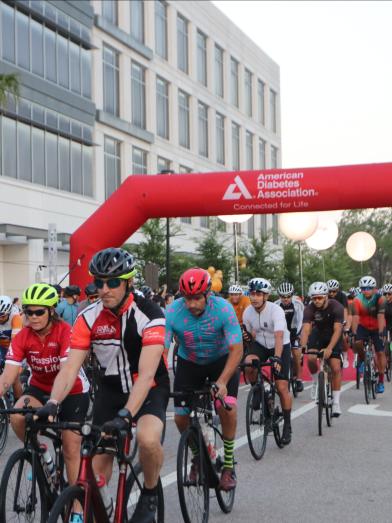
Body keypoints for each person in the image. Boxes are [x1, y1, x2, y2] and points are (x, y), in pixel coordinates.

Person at [37, 248, 169, 523]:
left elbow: (146, 375)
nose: (105, 289)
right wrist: (53, 403)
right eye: (99, 282)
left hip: (148, 388)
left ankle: (150, 492)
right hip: (110, 390)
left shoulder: (149, 313)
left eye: (113, 282)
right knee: (95, 479)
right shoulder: (87, 316)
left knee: (147, 439)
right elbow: (70, 367)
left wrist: (127, 415)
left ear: (128, 282)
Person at [0, 284, 89, 495]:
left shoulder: (66, 332)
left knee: (70, 447)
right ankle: (41, 454)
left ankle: (76, 504)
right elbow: (8, 375)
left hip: (72, 390)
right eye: (29, 311)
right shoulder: (22, 336)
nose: (33, 317)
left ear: (51, 311)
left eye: (39, 311)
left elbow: (67, 370)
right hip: (39, 387)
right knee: (18, 417)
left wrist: (54, 403)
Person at [165, 268, 243, 490]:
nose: (191, 304)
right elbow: (162, 348)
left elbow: (237, 349)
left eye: (197, 298)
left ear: (208, 294)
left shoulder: (223, 310)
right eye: (187, 298)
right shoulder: (173, 311)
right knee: (181, 418)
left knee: (226, 407)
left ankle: (228, 465)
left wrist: (223, 381)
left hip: (221, 361)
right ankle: (198, 457)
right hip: (189, 363)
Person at [242, 278, 293, 444]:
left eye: (258, 294)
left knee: (281, 386)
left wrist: (277, 357)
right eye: (252, 293)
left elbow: (279, 335)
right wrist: (247, 339)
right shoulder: (247, 312)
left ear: (266, 295)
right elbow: (250, 338)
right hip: (261, 345)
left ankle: (287, 425)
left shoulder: (276, 310)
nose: (254, 297)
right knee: (249, 363)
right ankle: (258, 390)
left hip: (280, 345)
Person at [300, 282, 344, 417]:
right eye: (314, 298)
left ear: (325, 296)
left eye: (319, 298)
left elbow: (338, 330)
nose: (317, 301)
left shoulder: (337, 307)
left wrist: (330, 348)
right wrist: (303, 346)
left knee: (335, 367)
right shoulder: (309, 308)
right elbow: (306, 328)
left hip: (333, 334)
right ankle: (315, 381)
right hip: (318, 334)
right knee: (312, 358)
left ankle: (336, 403)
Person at [351, 276, 386, 393]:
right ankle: (362, 358)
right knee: (357, 342)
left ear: (374, 288)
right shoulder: (357, 300)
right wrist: (354, 332)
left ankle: (381, 381)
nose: (366, 290)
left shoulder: (380, 299)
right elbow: (355, 317)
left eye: (369, 288)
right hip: (363, 326)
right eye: (364, 288)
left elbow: (381, 316)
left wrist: (381, 331)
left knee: (380, 353)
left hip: (377, 327)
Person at [275, 282, 304, 392]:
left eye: (288, 296)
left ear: (292, 295)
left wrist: (297, 335)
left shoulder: (298, 304)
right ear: (279, 296)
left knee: (296, 354)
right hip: (281, 331)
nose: (286, 299)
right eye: (283, 296)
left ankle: (299, 379)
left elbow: (301, 320)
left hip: (294, 330)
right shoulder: (276, 304)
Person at [0, 295, 24, 398]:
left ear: (9, 312)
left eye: (2, 316)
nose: (0, 319)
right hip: (1, 346)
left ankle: (18, 405)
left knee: (15, 377)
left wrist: (15, 366)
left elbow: (15, 343)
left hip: (13, 345)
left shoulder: (15, 317)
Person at [327, 279, 351, 368]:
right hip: (329, 319)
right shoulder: (325, 296)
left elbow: (345, 310)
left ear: (338, 290)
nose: (332, 293)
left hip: (340, 318)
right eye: (330, 291)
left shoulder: (342, 296)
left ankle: (345, 356)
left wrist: (345, 323)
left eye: (334, 291)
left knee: (344, 338)